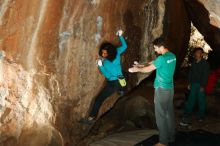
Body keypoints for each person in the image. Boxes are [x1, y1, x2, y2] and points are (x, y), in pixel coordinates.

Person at [129, 37, 176, 146]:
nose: (155, 50)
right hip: (170, 89)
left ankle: (163, 142)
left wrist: (137, 70)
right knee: (169, 113)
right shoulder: (172, 56)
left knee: (160, 116)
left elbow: (149, 69)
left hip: (161, 89)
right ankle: (171, 136)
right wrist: (140, 64)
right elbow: (153, 63)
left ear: (161, 47)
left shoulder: (161, 59)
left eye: (155, 48)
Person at [80, 29, 127, 124]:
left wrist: (101, 66)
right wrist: (121, 36)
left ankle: (91, 119)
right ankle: (122, 90)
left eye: (105, 53)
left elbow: (108, 75)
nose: (103, 54)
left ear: (110, 53)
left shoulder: (106, 63)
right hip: (121, 79)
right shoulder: (117, 52)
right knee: (124, 75)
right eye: (102, 52)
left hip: (113, 83)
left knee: (98, 100)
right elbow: (125, 46)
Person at [180, 47, 210, 126]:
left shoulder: (205, 64)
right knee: (191, 100)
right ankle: (187, 114)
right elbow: (190, 73)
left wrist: (203, 86)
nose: (197, 54)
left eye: (199, 52)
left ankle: (201, 116)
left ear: (202, 54)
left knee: (201, 101)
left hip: (200, 85)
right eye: (196, 53)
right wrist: (189, 83)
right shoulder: (193, 63)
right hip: (193, 84)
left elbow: (206, 75)